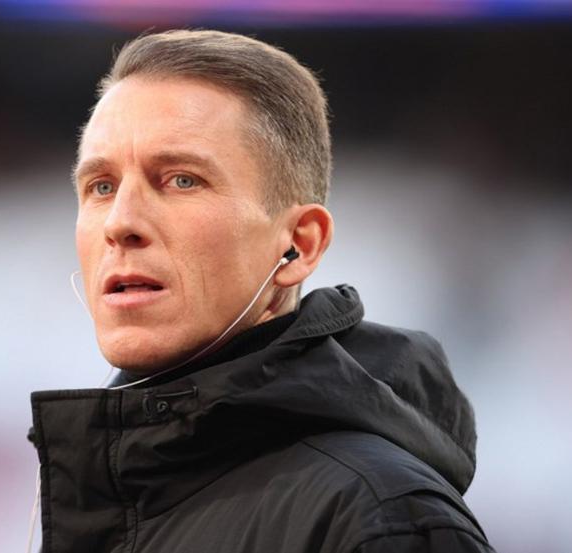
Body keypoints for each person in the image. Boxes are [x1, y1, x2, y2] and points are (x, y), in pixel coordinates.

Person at [27, 29, 495, 553]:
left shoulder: (380, 519)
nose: (120, 223)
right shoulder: (99, 493)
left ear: (299, 244)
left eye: (181, 180)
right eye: (101, 186)